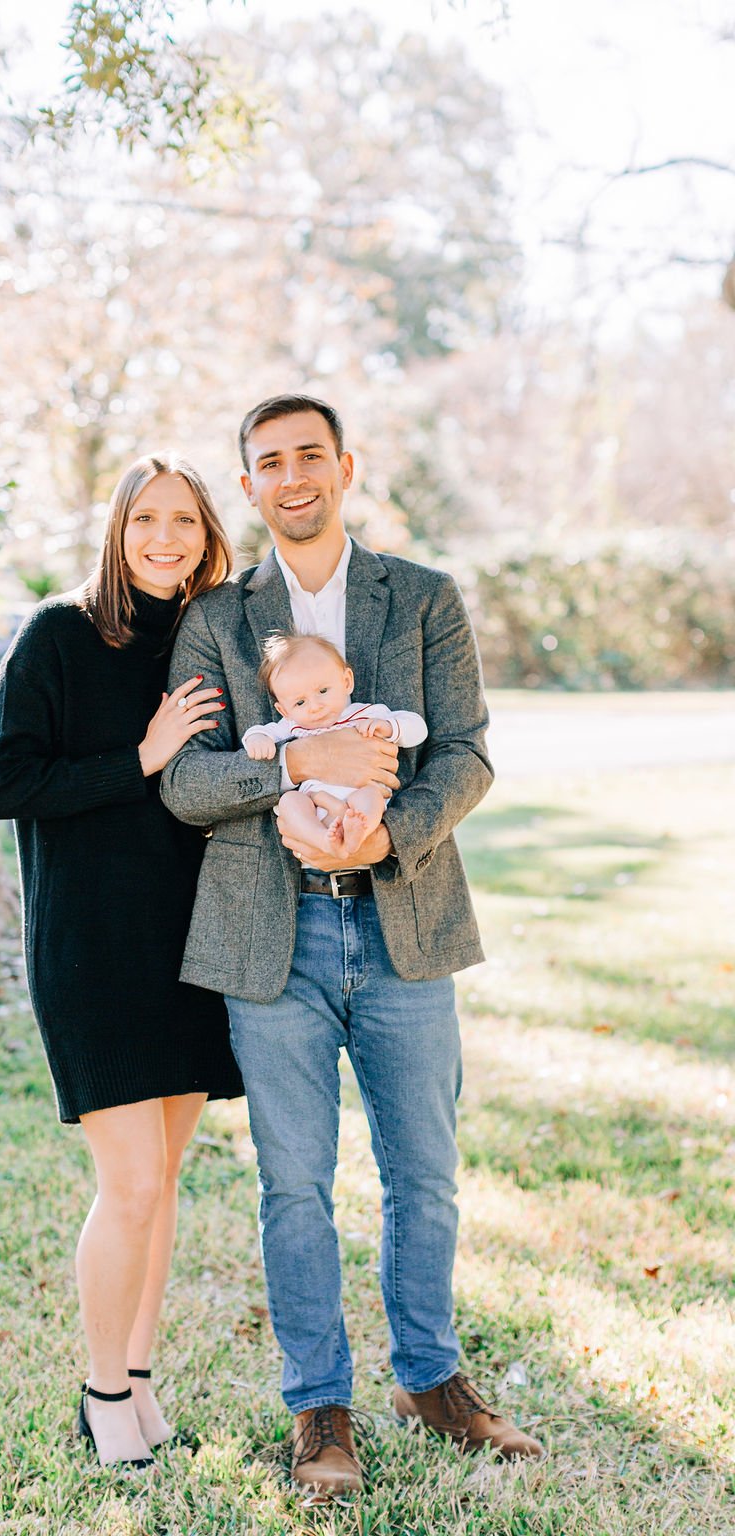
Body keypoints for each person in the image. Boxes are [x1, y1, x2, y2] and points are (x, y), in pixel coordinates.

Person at [161, 395, 544, 1497]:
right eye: (268, 462)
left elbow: (464, 752)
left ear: (344, 467)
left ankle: (430, 1380)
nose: (292, 477)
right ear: (249, 484)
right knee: (294, 1184)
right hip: (268, 940)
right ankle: (316, 1408)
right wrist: (293, 764)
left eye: (310, 456)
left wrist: (391, 831)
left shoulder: (420, 597)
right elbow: (187, 782)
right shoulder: (217, 621)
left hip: (404, 919)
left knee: (424, 1177)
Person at [0, 454, 243, 1470]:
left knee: (165, 1181)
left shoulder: (206, 642)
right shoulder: (58, 633)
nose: (165, 538)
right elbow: (5, 782)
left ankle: (137, 1381)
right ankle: (98, 1393)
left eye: (184, 521)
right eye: (146, 521)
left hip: (190, 945)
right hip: (92, 949)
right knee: (127, 1184)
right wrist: (141, 754)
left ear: (208, 534)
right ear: (117, 533)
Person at [242, 630, 427, 857]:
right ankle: (323, 840)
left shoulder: (365, 714)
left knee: (372, 796)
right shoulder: (291, 725)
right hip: (314, 807)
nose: (315, 706)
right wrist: (257, 739)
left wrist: (389, 727)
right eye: (300, 702)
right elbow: (260, 731)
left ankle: (359, 833)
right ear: (283, 710)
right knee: (291, 801)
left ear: (346, 681)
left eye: (322, 691)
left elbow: (418, 728)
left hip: (357, 804)